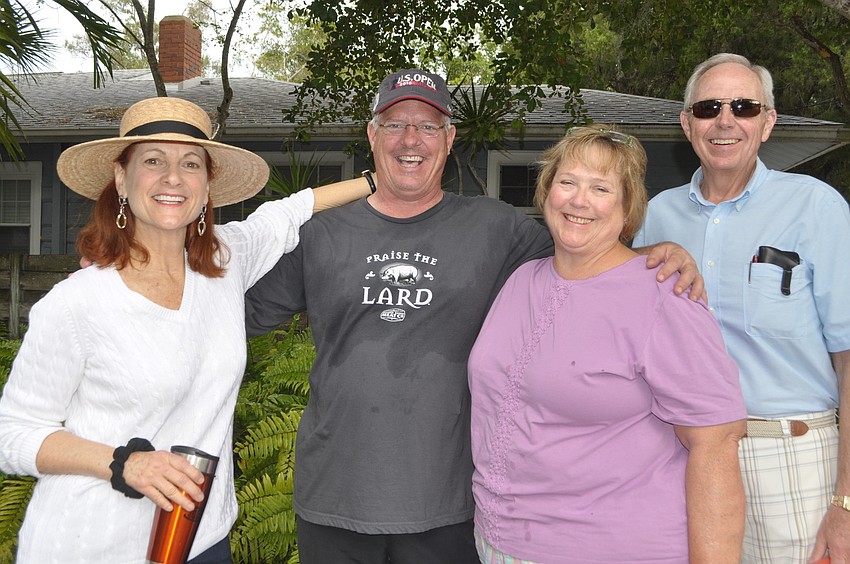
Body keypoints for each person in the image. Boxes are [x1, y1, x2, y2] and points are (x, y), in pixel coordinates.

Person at [244, 69, 704, 564]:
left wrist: (652, 255)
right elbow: (231, 319)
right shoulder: (320, 235)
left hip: (451, 505)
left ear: (449, 139)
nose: (411, 139)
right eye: (395, 124)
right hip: (334, 500)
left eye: (428, 126)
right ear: (372, 135)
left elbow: (584, 255)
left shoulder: (495, 228)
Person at [0, 96, 370, 563]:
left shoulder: (223, 262)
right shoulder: (77, 302)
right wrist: (125, 463)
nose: (173, 177)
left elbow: (292, 210)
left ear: (206, 187)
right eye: (153, 161)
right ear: (122, 179)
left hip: (203, 539)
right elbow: (11, 433)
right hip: (93, 545)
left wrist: (380, 180)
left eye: (191, 163)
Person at [469, 126, 747, 564]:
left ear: (627, 205)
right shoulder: (523, 279)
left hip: (610, 548)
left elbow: (716, 443)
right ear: (546, 191)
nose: (579, 200)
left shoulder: (664, 296)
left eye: (601, 188)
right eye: (568, 182)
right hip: (498, 542)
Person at [632, 53, 850, 563]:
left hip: (789, 460)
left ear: (767, 123)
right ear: (687, 124)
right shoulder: (656, 215)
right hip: (679, 455)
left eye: (744, 107)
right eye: (708, 107)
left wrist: (846, 501)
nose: (725, 120)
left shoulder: (816, 207)